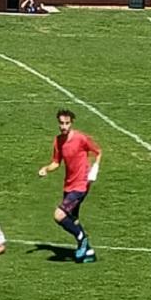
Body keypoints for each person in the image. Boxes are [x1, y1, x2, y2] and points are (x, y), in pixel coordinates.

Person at [37, 109, 102, 263]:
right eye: (61, 123)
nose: (64, 126)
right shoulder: (58, 141)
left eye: (67, 123)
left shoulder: (81, 138)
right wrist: (46, 169)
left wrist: (94, 171)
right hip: (69, 185)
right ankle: (89, 252)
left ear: (71, 123)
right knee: (73, 219)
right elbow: (56, 162)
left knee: (59, 215)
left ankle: (82, 238)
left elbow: (98, 151)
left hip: (81, 185)